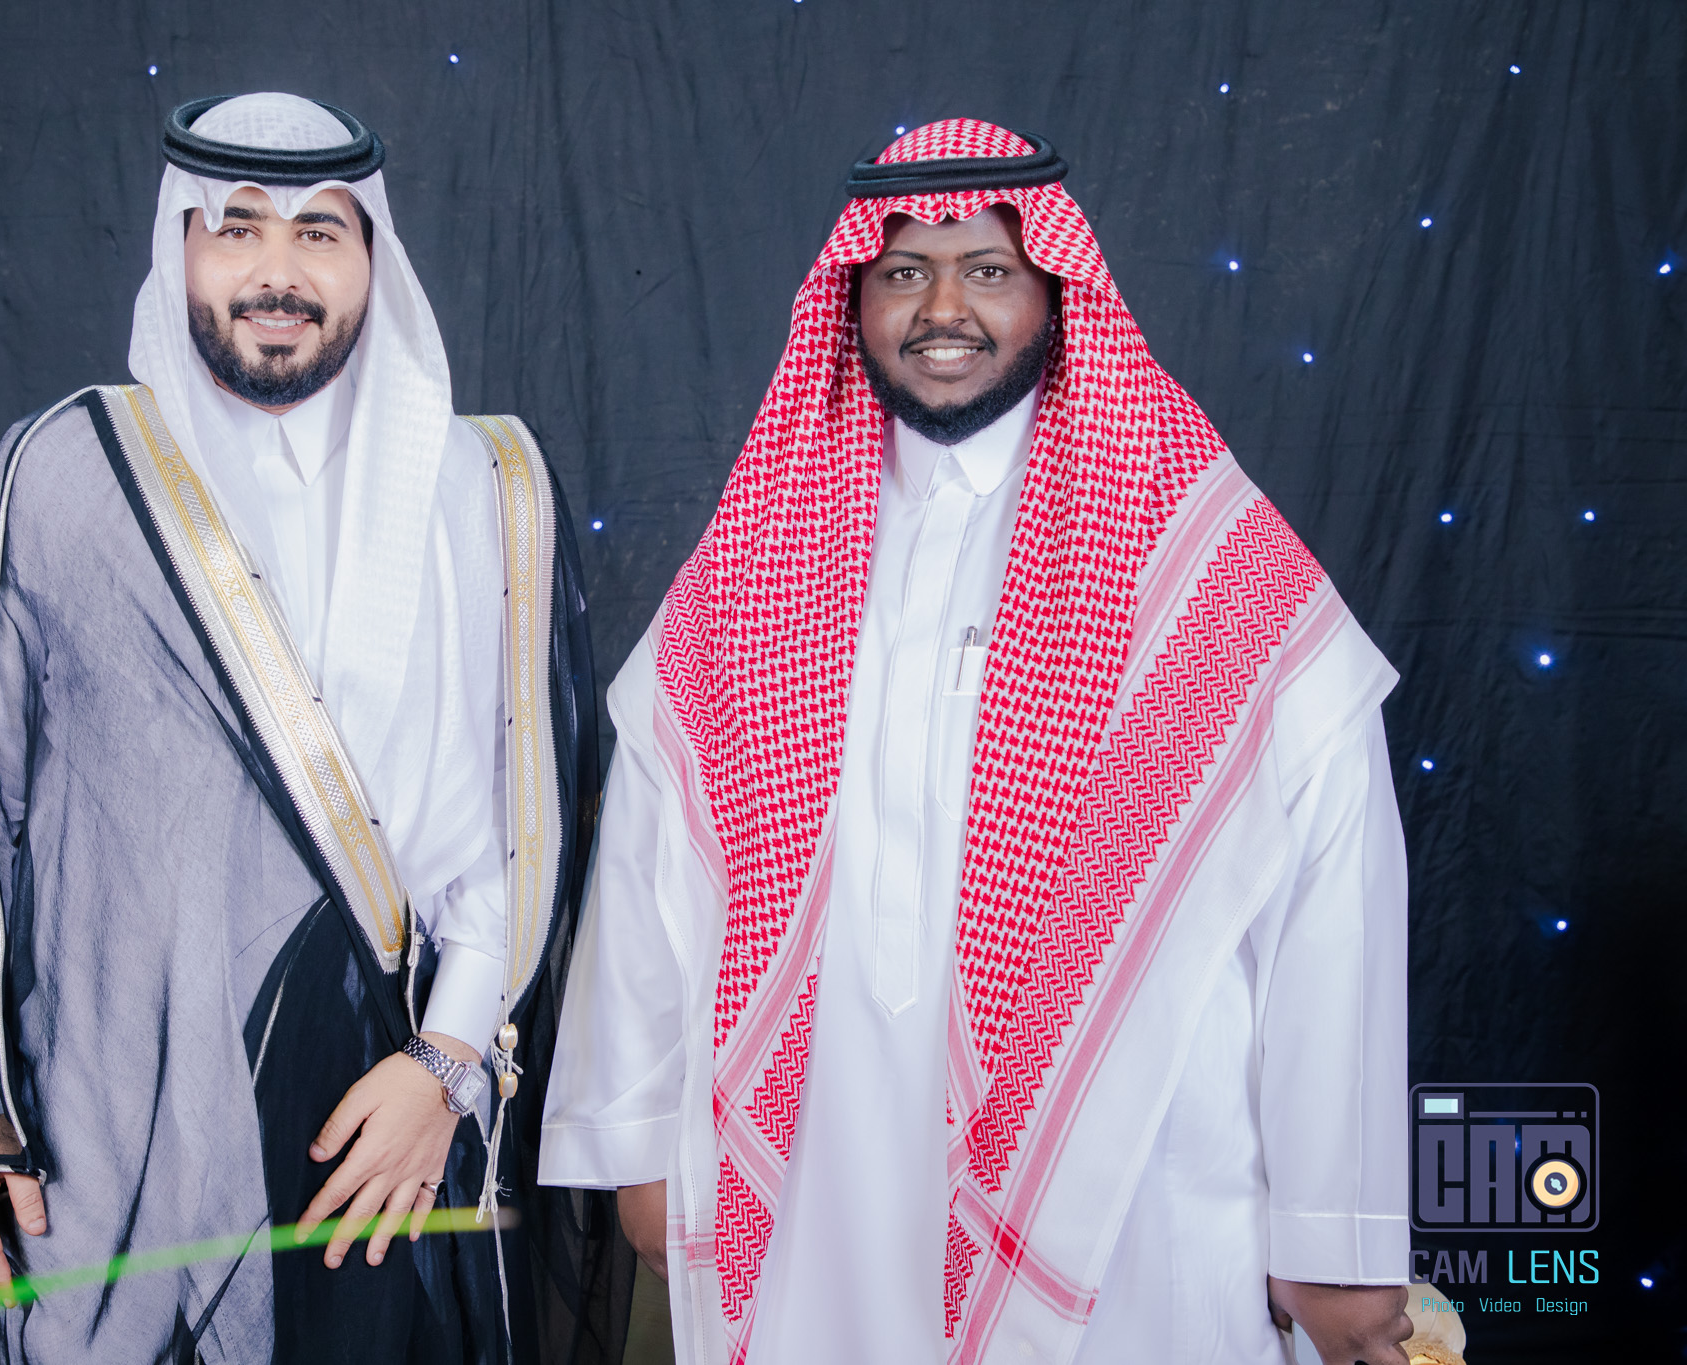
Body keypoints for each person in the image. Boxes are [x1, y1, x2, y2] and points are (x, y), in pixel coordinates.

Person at [540, 120, 1413, 1364]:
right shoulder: (759, 551)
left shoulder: (1196, 556)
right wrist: (633, 1143)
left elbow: (1335, 901)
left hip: (1132, 1179)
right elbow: (647, 859)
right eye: (903, 272)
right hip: (814, 1177)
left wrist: (1334, 1233)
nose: (942, 308)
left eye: (987, 270)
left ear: (1053, 293)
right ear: (854, 299)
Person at [0, 92, 614, 1364]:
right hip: (104, 1118)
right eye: (235, 229)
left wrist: (446, 1065)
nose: (276, 272)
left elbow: (520, 817)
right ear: (178, 247)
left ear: (373, 258)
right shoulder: (66, 468)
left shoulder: (482, 486)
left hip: (391, 1109)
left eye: (319, 232)